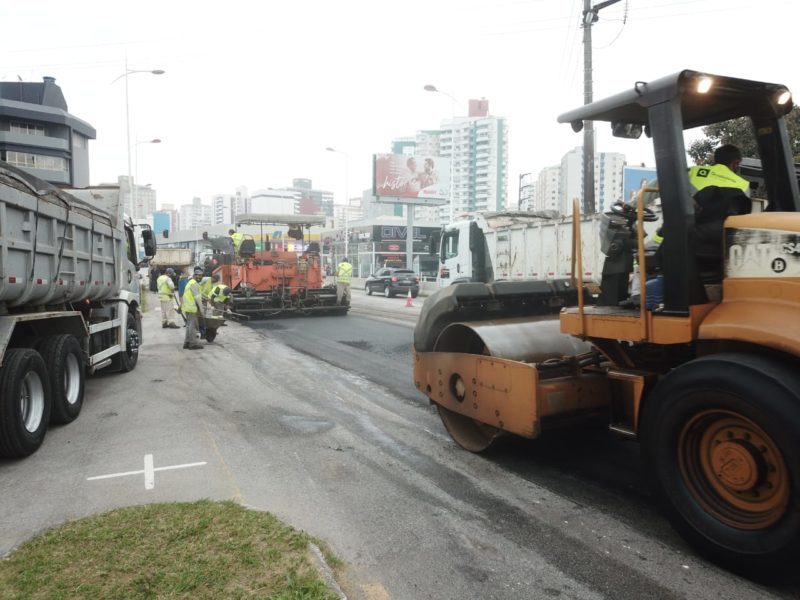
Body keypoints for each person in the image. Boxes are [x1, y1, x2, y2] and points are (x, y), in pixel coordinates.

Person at [181, 268, 206, 350]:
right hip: (191, 307)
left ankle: (187, 342)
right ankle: (193, 343)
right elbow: (197, 298)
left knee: (189, 326)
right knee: (193, 326)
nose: (200, 277)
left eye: (201, 276)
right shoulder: (194, 284)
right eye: (199, 276)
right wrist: (202, 311)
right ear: (195, 276)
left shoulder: (190, 282)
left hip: (187, 307)